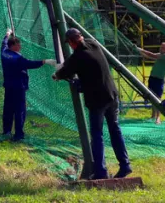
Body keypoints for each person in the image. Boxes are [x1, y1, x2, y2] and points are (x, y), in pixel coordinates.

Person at [53, 28, 132, 180]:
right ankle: (125, 164)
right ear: (81, 37)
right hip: (111, 95)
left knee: (97, 135)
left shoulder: (78, 56)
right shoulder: (93, 44)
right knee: (115, 130)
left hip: (97, 100)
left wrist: (57, 75)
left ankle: (100, 171)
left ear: (71, 42)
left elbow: (66, 71)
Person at [0, 29, 55, 142]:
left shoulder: (4, 52)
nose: (20, 46)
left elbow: (4, 43)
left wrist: (7, 34)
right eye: (18, 44)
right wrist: (45, 61)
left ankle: (7, 131)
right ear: (13, 45)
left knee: (8, 110)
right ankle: (18, 134)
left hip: (9, 86)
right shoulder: (18, 59)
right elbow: (30, 64)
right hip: (19, 87)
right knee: (20, 111)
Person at [138, 42, 165, 124]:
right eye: (161, 47)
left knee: (157, 98)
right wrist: (139, 52)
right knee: (151, 97)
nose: (160, 48)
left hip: (159, 80)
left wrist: (140, 49)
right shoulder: (161, 54)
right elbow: (148, 56)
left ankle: (158, 117)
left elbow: (152, 55)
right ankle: (153, 116)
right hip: (152, 78)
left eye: (163, 48)